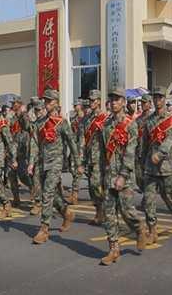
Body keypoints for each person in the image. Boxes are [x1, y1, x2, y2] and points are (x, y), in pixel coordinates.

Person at [99, 88, 147, 265]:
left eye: (117, 99)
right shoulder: (105, 125)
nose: (113, 102)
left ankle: (139, 228)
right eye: (111, 99)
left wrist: (123, 175)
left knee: (127, 211)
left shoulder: (130, 125)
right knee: (109, 213)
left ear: (123, 103)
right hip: (108, 174)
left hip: (123, 176)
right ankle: (114, 249)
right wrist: (99, 174)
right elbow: (101, 152)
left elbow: (130, 152)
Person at [28, 89, 81, 244]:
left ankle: (44, 229)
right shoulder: (40, 122)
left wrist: (77, 163)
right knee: (49, 194)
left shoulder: (62, 123)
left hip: (56, 162)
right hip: (43, 162)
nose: (46, 103)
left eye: (49, 101)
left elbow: (72, 143)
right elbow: (35, 144)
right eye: (45, 101)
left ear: (56, 103)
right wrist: (31, 162)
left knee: (48, 193)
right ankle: (66, 212)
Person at [141, 87, 172, 245]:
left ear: (165, 99)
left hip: (165, 166)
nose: (157, 100)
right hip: (150, 168)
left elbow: (169, 141)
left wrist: (159, 154)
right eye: (155, 97)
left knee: (169, 198)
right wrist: (142, 163)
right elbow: (145, 144)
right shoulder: (149, 121)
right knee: (148, 199)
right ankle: (152, 231)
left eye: (160, 97)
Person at [80, 89, 109, 226]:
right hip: (89, 156)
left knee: (96, 184)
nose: (91, 102)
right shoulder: (86, 119)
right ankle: (99, 210)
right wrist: (81, 159)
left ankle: (103, 211)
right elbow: (83, 140)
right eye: (90, 100)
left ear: (99, 101)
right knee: (92, 188)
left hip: (101, 158)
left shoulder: (105, 118)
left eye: (93, 100)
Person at [8, 96, 34, 208]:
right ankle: (16, 198)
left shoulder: (25, 116)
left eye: (15, 103)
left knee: (23, 175)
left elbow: (28, 127)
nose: (13, 105)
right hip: (13, 149)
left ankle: (33, 188)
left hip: (23, 149)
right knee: (11, 174)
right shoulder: (12, 118)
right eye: (13, 103)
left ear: (19, 104)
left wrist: (23, 114)